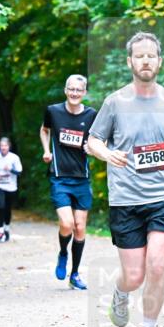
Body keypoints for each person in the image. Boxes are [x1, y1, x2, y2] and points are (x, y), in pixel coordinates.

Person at [86, 32, 164, 327]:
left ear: (160, 61)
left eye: (151, 56)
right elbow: (93, 140)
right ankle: (121, 292)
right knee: (134, 275)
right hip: (126, 199)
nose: (145, 61)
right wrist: (107, 154)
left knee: (157, 264)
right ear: (129, 62)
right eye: (139, 56)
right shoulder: (115, 102)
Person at [40, 74, 96, 290]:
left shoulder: (91, 115)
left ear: (84, 92)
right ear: (65, 90)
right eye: (71, 89)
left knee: (80, 228)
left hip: (81, 178)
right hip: (60, 177)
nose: (74, 93)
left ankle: (74, 274)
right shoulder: (53, 111)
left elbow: (99, 140)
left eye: (78, 90)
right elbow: (44, 130)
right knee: (67, 224)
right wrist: (46, 150)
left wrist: (92, 148)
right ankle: (63, 252)